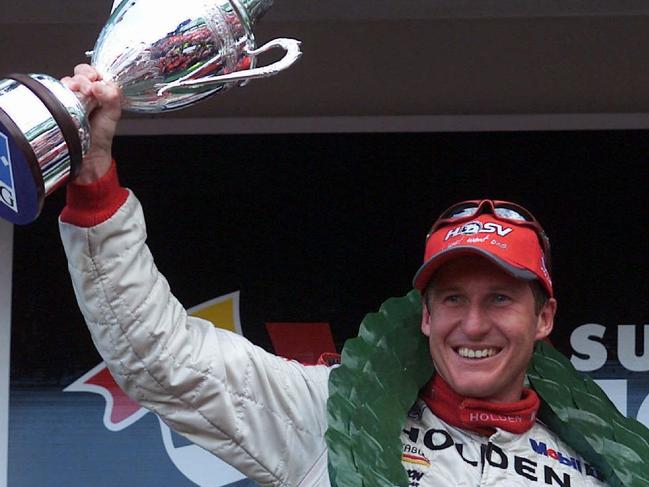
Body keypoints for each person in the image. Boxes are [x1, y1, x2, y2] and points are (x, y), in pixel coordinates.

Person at [59, 64, 610, 486]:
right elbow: (162, 359)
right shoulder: (331, 411)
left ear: (544, 318)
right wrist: (93, 180)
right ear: (424, 315)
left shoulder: (598, 462)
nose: (471, 324)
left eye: (499, 299)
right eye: (451, 299)